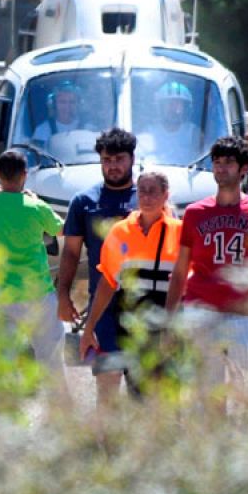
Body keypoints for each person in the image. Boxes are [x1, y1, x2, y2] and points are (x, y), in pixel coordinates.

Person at [164, 135, 248, 400]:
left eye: (228, 162)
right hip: (201, 309)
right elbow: (180, 270)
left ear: (243, 169)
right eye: (217, 162)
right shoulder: (195, 213)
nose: (221, 168)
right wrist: (169, 321)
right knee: (207, 393)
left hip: (243, 311)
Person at [79, 170, 181, 406]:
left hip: (168, 325)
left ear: (165, 195)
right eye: (142, 191)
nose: (146, 197)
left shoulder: (179, 231)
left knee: (169, 401)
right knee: (139, 398)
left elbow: (189, 282)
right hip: (132, 326)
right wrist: (89, 327)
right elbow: (108, 283)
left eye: (153, 191)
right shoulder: (120, 231)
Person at [0, 149, 65, 386]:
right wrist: (36, 200)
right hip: (37, 293)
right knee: (51, 360)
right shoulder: (35, 207)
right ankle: (60, 406)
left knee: (3, 363)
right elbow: (61, 229)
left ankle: (2, 407)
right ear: (25, 175)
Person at [57, 129, 139, 377]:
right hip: (102, 307)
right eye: (106, 160)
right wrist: (63, 295)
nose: (113, 166)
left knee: (145, 388)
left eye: (119, 159)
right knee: (106, 383)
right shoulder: (84, 202)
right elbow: (71, 253)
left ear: (132, 159)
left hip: (144, 305)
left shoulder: (148, 199)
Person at [139, 81, 202, 165]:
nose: (174, 108)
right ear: (160, 107)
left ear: (186, 108)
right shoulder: (149, 132)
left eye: (178, 104)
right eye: (170, 103)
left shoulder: (194, 133)